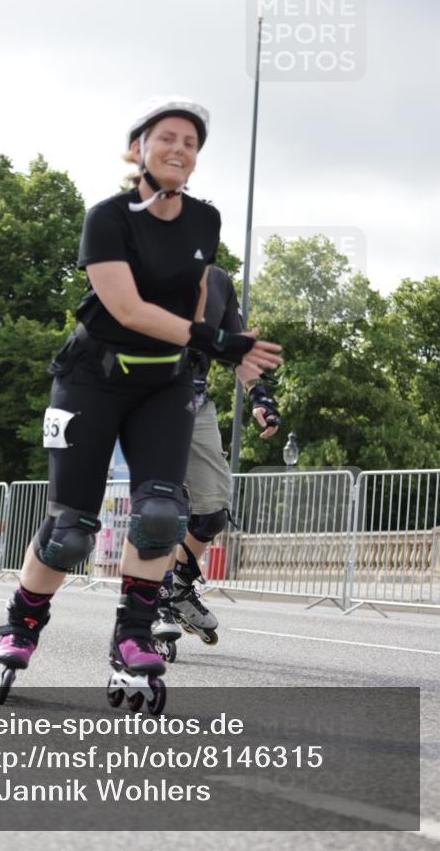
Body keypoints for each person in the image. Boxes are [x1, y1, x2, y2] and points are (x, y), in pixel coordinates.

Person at [0, 96, 283, 710]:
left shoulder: (205, 220)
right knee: (71, 531)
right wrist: (219, 341)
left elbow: (199, 305)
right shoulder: (107, 218)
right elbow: (128, 310)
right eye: (167, 138)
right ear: (137, 150)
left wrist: (234, 356)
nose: (180, 149)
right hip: (91, 379)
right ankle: (24, 619)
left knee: (158, 516)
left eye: (191, 144)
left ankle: (132, 637)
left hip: (165, 384)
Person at [152, 265, 281, 657]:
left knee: (212, 513)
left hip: (196, 401)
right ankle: (152, 598)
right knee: (161, 505)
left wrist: (259, 396)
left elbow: (238, 348)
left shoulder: (220, 283)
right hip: (149, 397)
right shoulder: (148, 268)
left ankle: (179, 588)